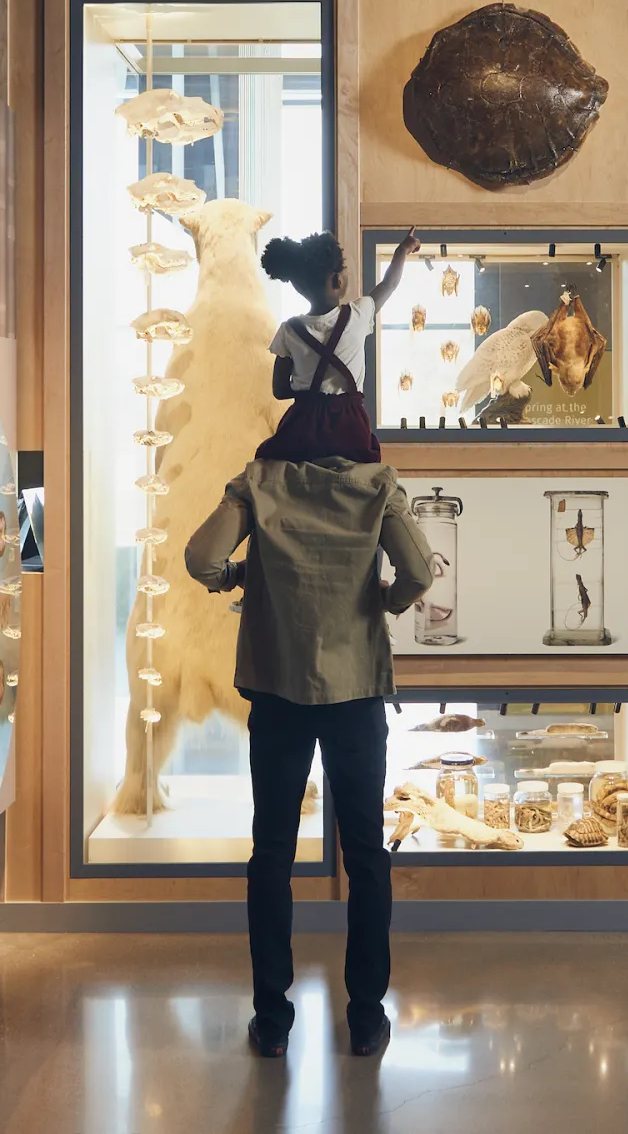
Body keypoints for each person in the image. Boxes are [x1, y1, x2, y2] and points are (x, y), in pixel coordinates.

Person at [184, 451, 434, 1060]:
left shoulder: (260, 482)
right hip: (355, 693)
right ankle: (366, 1017)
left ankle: (272, 1019)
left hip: (278, 689)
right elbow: (420, 573)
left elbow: (201, 559)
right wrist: (387, 601)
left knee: (272, 853)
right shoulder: (376, 486)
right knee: (366, 854)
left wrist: (238, 577)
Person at [255, 230, 420, 466]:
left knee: (268, 460)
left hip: (302, 430)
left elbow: (280, 390)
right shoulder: (359, 314)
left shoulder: (290, 330)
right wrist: (402, 250)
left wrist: (309, 392)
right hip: (350, 430)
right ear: (337, 281)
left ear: (299, 287)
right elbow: (389, 284)